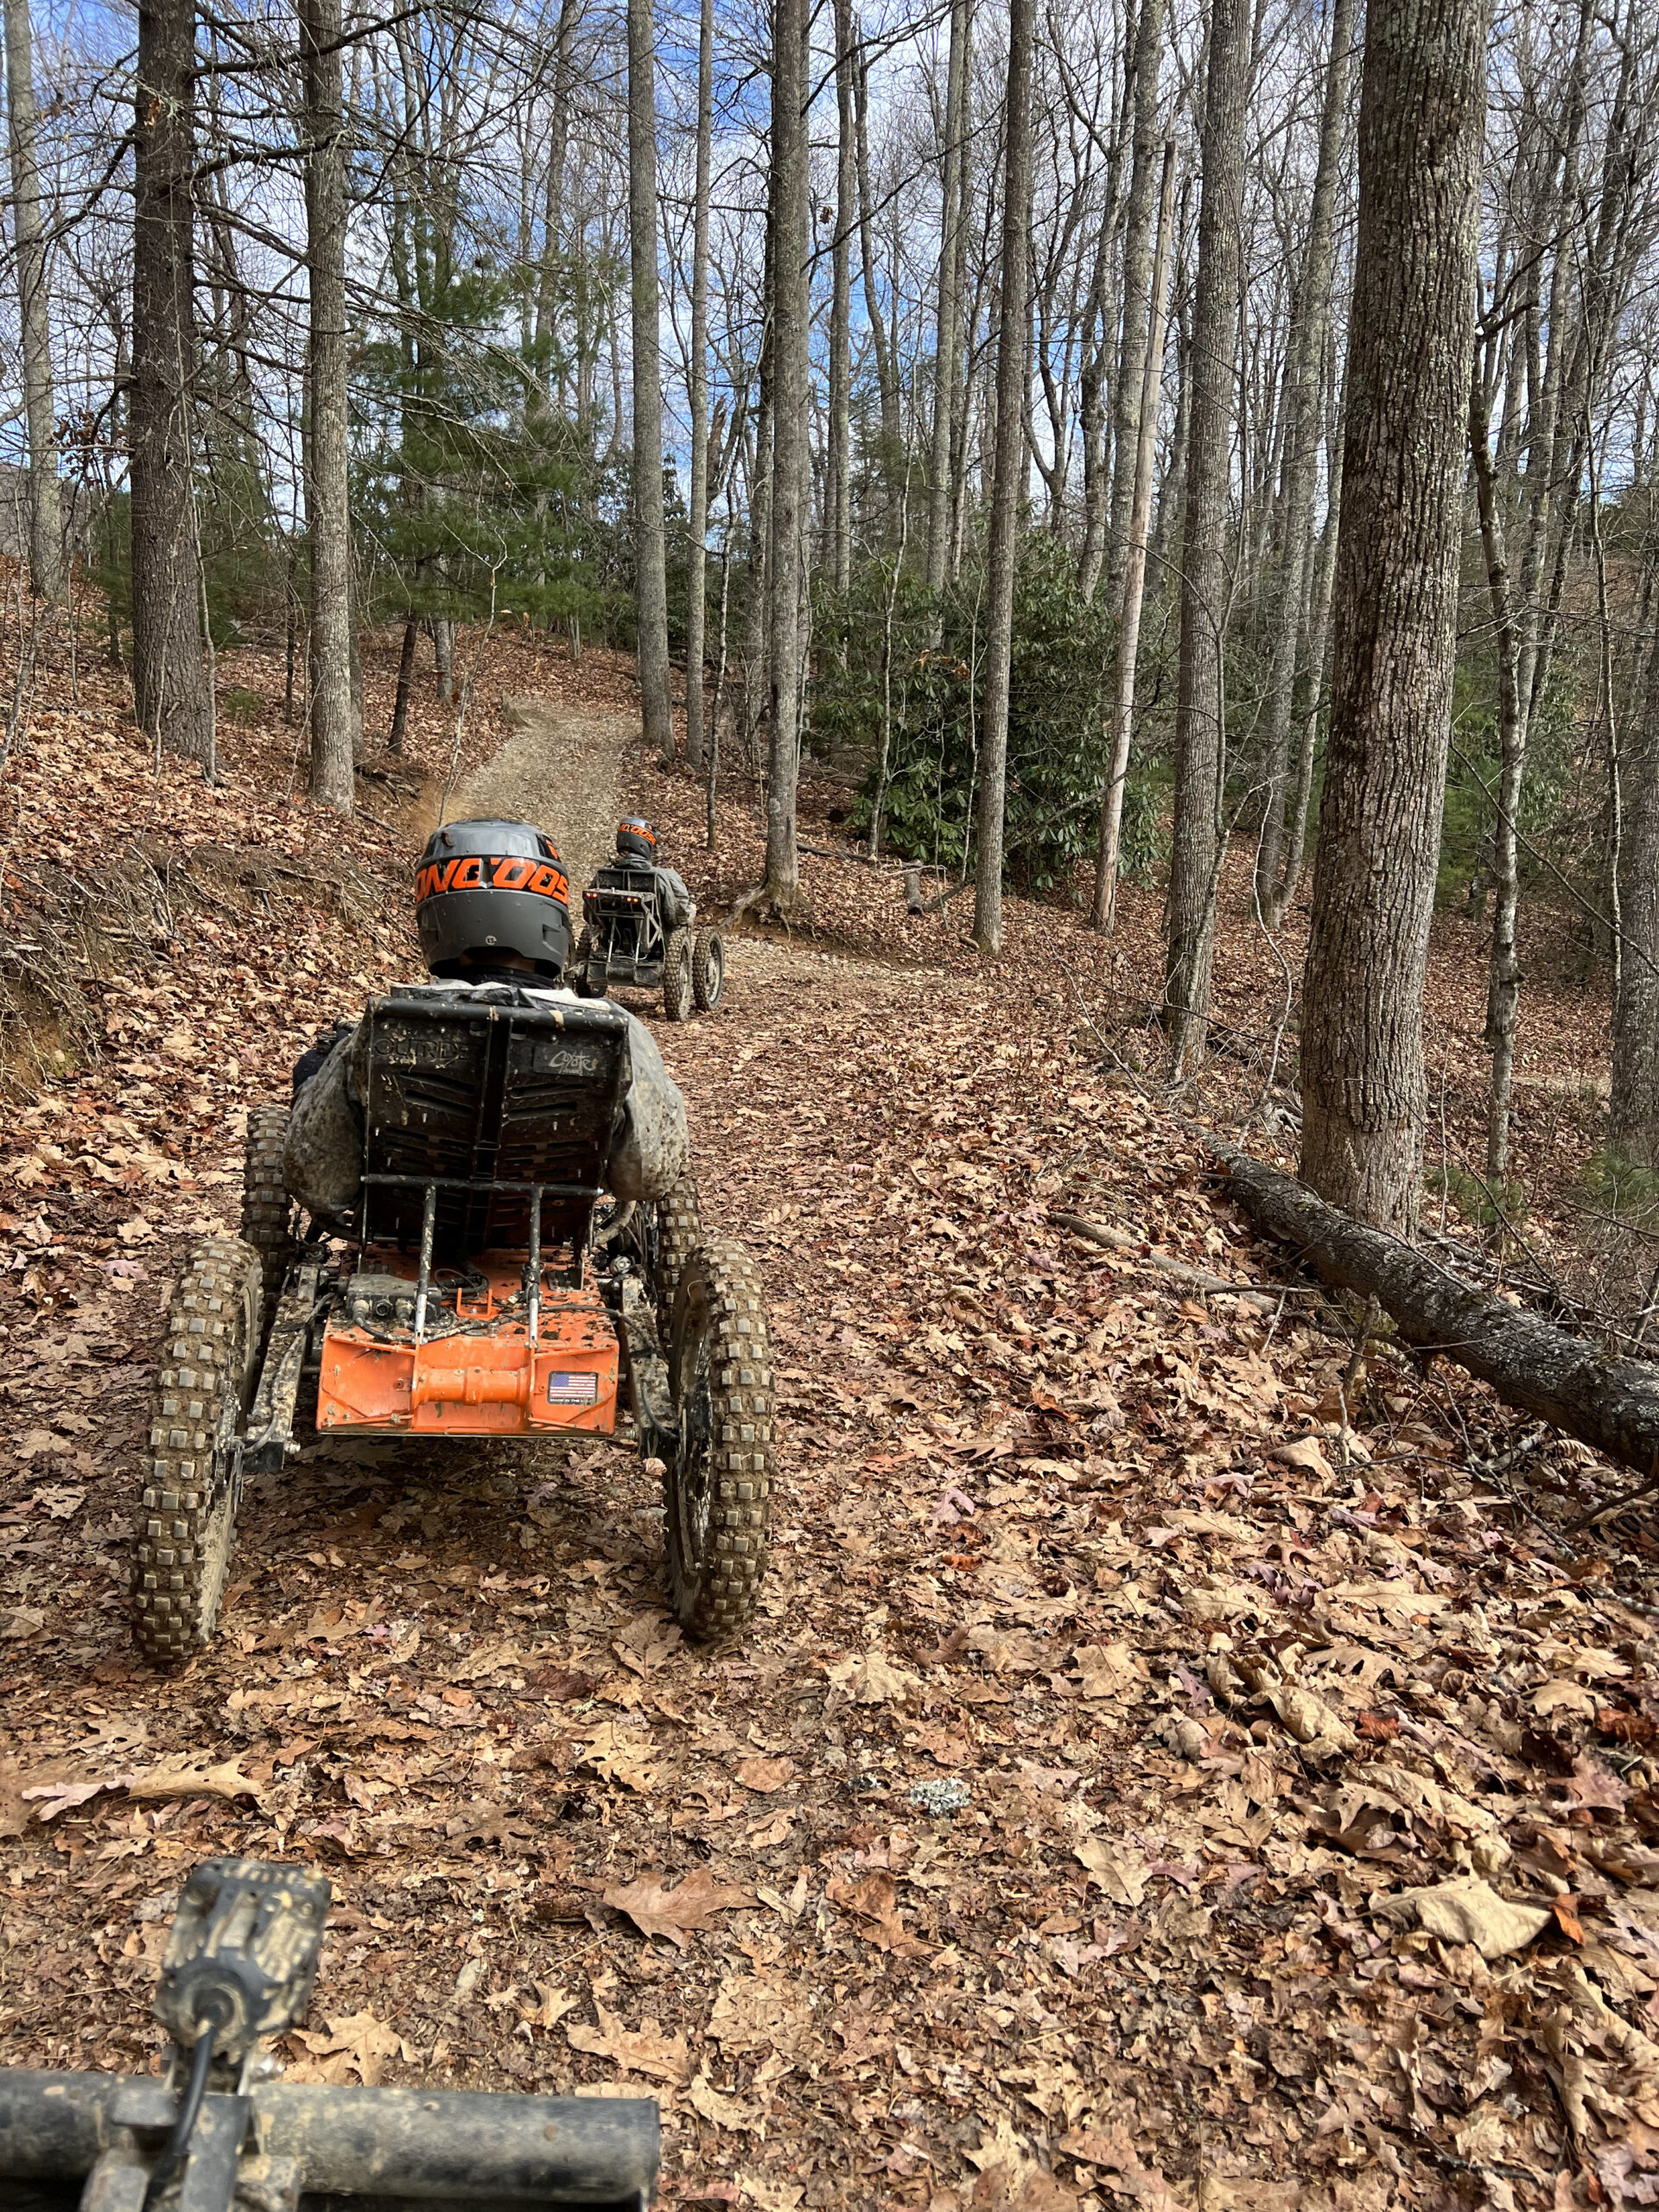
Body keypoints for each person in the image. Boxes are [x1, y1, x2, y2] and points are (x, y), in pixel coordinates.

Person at [283, 817, 690, 1223]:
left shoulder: (387, 1023)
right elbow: (649, 1173)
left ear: (435, 912)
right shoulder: (613, 1029)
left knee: (312, 1065)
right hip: (548, 1226)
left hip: (406, 1227)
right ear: (551, 913)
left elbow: (320, 1182)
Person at [613, 817, 694, 933]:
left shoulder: (604, 873)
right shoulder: (666, 875)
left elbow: (588, 913)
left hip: (614, 935)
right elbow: (676, 916)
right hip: (658, 938)